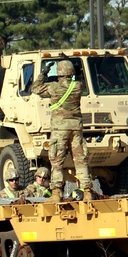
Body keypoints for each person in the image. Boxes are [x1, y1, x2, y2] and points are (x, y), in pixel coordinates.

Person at [30, 59, 92, 202]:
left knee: (57, 162)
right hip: (76, 128)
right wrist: (79, 72)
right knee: (80, 161)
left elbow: (35, 88)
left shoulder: (54, 87)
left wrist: (43, 73)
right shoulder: (78, 86)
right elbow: (81, 81)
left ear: (59, 73)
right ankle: (87, 191)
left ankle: (56, 193)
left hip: (60, 129)